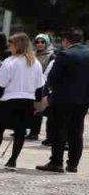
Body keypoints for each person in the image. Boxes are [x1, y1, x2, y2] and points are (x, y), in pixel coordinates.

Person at [0, 34, 45, 170]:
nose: (10, 47)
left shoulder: (10, 62)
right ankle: (12, 161)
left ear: (17, 46)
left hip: (8, 101)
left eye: (11, 44)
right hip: (27, 101)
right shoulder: (35, 63)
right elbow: (39, 87)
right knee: (20, 132)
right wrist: (36, 104)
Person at [38, 28, 89, 174]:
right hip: (83, 99)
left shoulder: (64, 55)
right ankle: (73, 164)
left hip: (63, 99)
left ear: (66, 41)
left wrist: (50, 93)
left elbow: (53, 78)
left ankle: (56, 162)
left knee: (59, 130)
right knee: (77, 131)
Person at [29, 34, 56, 142]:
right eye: (37, 42)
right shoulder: (32, 54)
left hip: (43, 85)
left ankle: (35, 132)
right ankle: (29, 129)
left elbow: (49, 72)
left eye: (42, 42)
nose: (40, 44)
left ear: (47, 43)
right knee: (30, 108)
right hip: (30, 84)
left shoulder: (51, 56)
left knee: (39, 109)